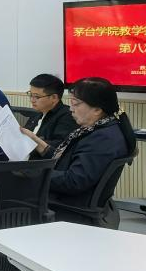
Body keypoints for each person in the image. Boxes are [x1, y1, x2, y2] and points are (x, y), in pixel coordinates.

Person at [21, 77, 136, 223]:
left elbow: (74, 181)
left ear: (97, 109)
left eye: (75, 104)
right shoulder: (99, 128)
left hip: (68, 206)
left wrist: (34, 173)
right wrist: (39, 144)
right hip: (71, 199)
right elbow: (67, 159)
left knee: (10, 189)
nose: (71, 109)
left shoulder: (102, 139)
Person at [23, 74, 78, 158]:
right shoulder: (38, 113)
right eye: (31, 95)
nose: (32, 100)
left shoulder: (67, 116)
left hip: (39, 164)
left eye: (37, 96)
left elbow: (59, 147)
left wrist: (34, 140)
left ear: (54, 97)